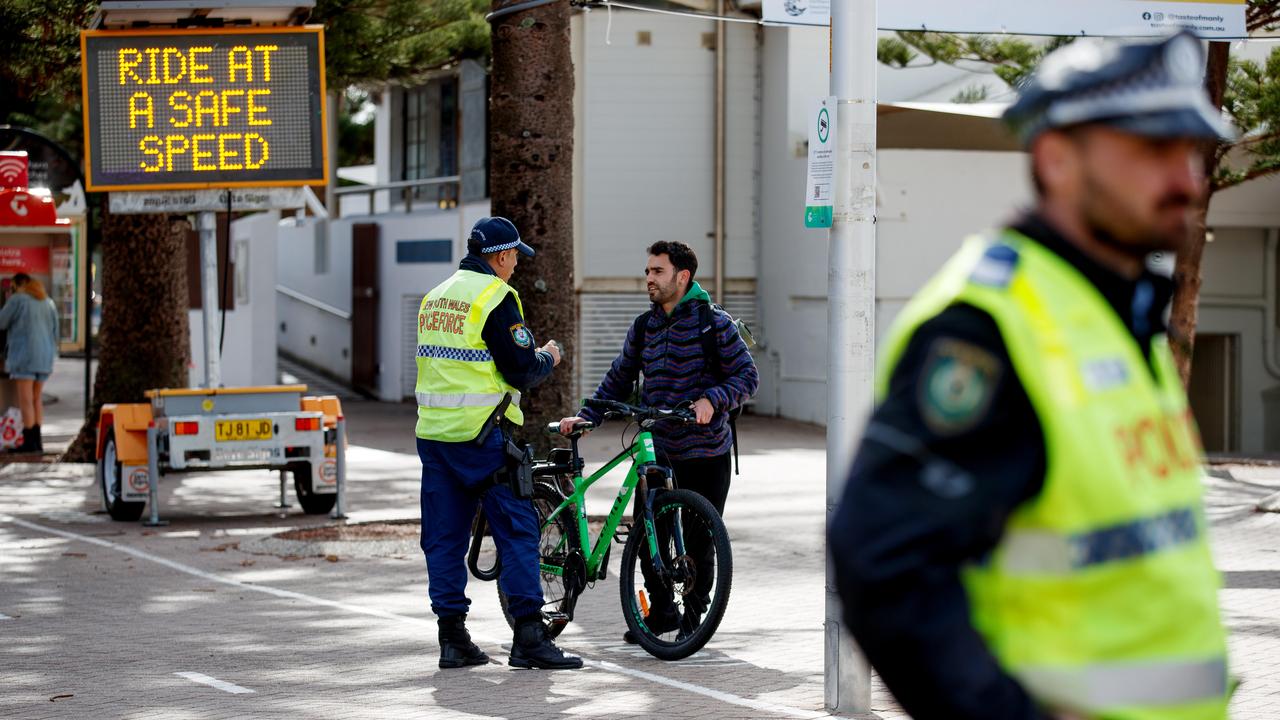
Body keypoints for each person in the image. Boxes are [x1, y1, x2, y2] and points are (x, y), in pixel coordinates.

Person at [828, 32, 1233, 720]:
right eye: (1152, 150)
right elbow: (885, 565)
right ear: (1056, 159)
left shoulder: (1119, 310)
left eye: (1191, 153)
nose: (1186, 181)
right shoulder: (987, 329)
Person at [559, 240, 758, 643]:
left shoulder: (712, 322)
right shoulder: (645, 325)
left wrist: (711, 400)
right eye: (648, 270)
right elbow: (619, 375)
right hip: (657, 451)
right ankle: (663, 612)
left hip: (705, 451)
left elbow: (747, 377)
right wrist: (587, 415)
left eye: (657, 271)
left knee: (701, 544)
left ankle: (693, 623)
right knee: (648, 535)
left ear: (682, 277)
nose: (648, 278)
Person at [416, 216, 581, 670]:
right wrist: (548, 355)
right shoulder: (495, 297)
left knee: (444, 538)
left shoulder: (436, 297)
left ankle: (452, 639)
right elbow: (521, 369)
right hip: (483, 437)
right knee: (519, 529)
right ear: (502, 256)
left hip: (434, 436)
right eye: (514, 260)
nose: (514, 269)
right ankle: (529, 635)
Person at [0, 273, 59, 454]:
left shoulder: (18, 300)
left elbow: (1, 322)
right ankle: (37, 441)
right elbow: (56, 332)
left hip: (24, 356)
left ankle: (29, 442)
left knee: (25, 400)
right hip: (44, 358)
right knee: (36, 399)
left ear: (17, 285)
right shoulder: (48, 302)